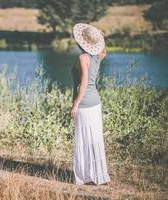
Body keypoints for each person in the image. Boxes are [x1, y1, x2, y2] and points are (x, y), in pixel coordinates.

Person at [70, 23, 111, 185]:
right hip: (96, 102)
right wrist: (101, 38)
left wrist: (75, 104)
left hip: (85, 103)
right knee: (94, 138)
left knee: (83, 139)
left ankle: (85, 176)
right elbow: (104, 51)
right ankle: (97, 174)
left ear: (80, 42)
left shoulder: (82, 58)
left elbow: (84, 82)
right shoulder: (97, 57)